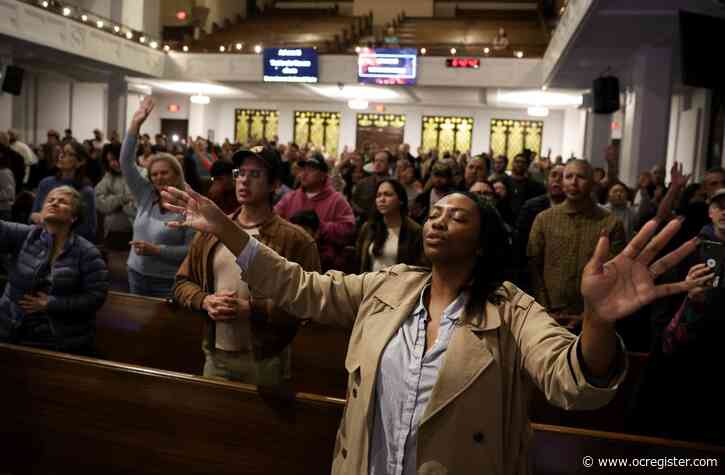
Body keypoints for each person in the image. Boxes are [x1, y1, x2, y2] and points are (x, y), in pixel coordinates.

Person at [160, 182, 703, 475]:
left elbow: (570, 382)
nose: (438, 219)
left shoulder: (509, 308)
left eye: (457, 216)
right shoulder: (388, 286)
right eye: (435, 212)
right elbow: (299, 287)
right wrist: (227, 228)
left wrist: (597, 321)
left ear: (484, 240)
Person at [174, 147, 320, 386]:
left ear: (274, 184)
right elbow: (182, 283)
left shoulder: (295, 240)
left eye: (255, 174)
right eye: (240, 173)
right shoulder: (214, 230)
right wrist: (205, 300)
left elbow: (309, 303)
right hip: (217, 354)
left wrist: (252, 309)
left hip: (265, 358)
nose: (243, 180)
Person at [0, 186, 109, 355]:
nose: (54, 203)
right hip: (11, 327)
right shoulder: (27, 235)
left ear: (74, 217)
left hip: (57, 337)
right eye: (50, 200)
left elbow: (96, 297)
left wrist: (51, 303)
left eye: (63, 201)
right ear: (42, 213)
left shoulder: (88, 252)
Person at [528, 159, 626, 327]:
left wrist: (588, 313)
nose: (573, 182)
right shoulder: (544, 219)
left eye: (580, 177)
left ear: (593, 182)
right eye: (569, 177)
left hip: (592, 314)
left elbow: (614, 272)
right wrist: (544, 308)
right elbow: (533, 265)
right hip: (549, 312)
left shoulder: (610, 223)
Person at [121, 97, 194, 298]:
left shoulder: (189, 205)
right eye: (154, 174)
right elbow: (126, 163)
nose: (159, 177)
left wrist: (156, 250)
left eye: (164, 172)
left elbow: (190, 250)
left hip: (168, 279)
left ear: (176, 174)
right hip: (136, 272)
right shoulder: (146, 195)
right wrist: (135, 125)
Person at [274, 152, 355, 272]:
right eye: (303, 170)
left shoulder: (337, 200)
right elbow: (273, 220)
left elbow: (348, 230)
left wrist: (319, 227)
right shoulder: (290, 198)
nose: (304, 174)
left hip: (324, 268)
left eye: (311, 170)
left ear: (323, 175)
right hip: (291, 265)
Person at [30, 141, 97, 243]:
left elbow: (89, 231)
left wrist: (56, 226)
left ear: (80, 162)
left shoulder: (86, 191)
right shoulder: (46, 183)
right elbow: (32, 216)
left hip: (71, 247)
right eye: (62, 152)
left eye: (68, 154)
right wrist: (38, 218)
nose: (61, 156)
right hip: (42, 242)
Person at [355, 179, 424, 273]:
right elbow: (359, 261)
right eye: (378, 195)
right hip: (370, 284)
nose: (382, 199)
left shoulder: (414, 230)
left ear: (400, 200)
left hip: (400, 285)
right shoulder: (369, 227)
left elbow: (419, 268)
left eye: (388, 194)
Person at [94, 143, 135, 245]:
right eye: (109, 161)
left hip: (136, 233)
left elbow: (137, 208)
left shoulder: (141, 174)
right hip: (112, 234)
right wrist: (122, 199)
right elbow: (99, 203)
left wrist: (113, 201)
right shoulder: (109, 177)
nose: (112, 164)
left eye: (115, 159)